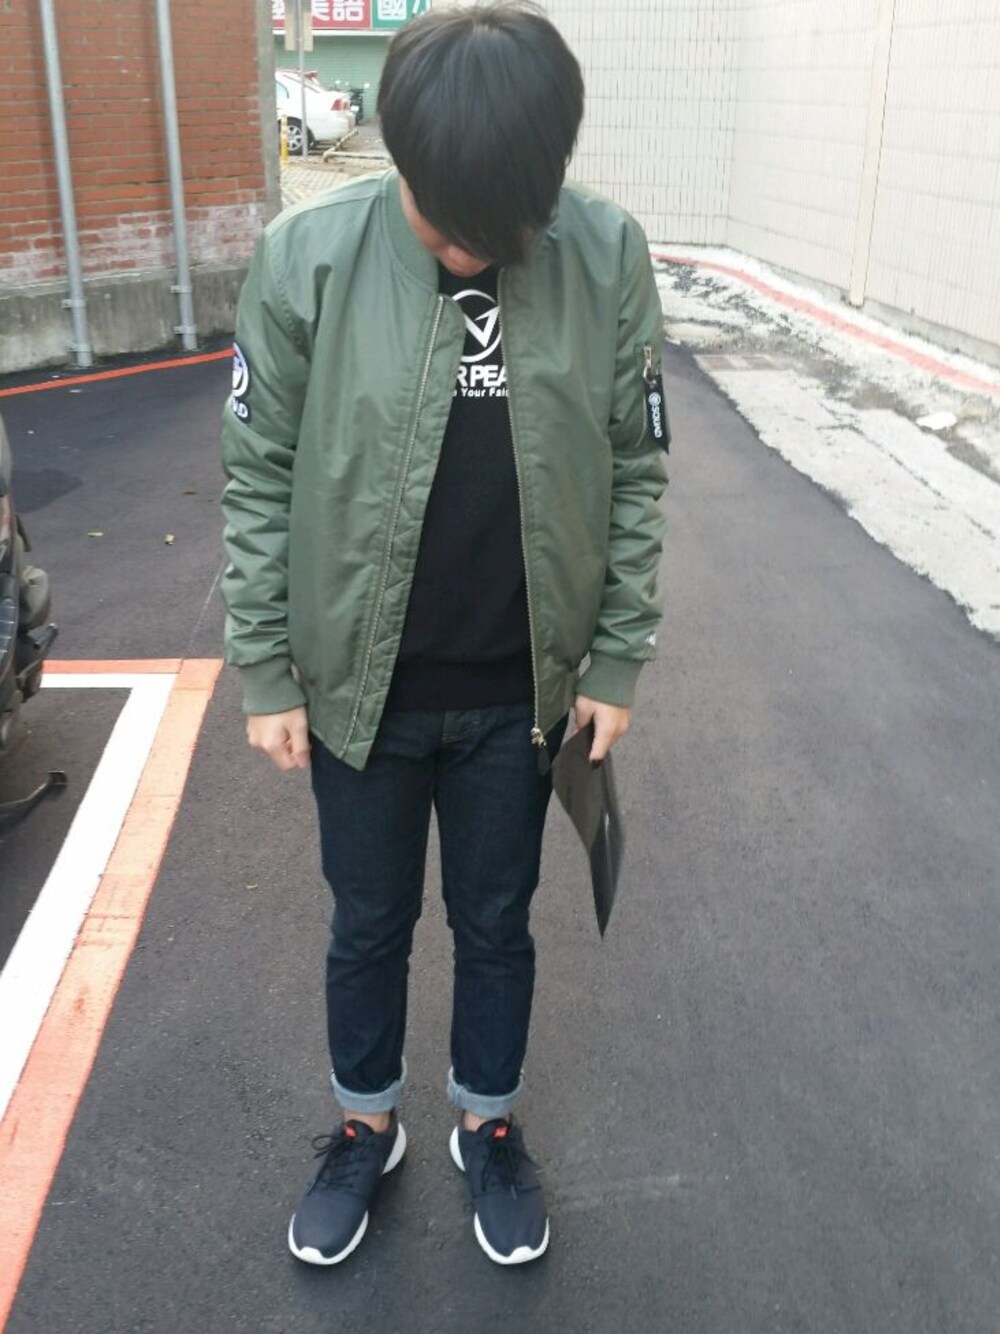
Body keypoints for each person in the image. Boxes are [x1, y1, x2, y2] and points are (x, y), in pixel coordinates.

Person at [221, 0, 667, 1268]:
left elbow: (636, 467)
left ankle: (488, 1119)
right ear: (400, 156)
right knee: (366, 922)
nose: (472, 248)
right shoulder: (308, 256)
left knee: (497, 922)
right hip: (359, 692)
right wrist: (265, 669)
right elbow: (255, 474)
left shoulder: (603, 252)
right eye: (444, 220)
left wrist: (617, 655)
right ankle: (364, 1126)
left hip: (519, 694)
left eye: (499, 225)